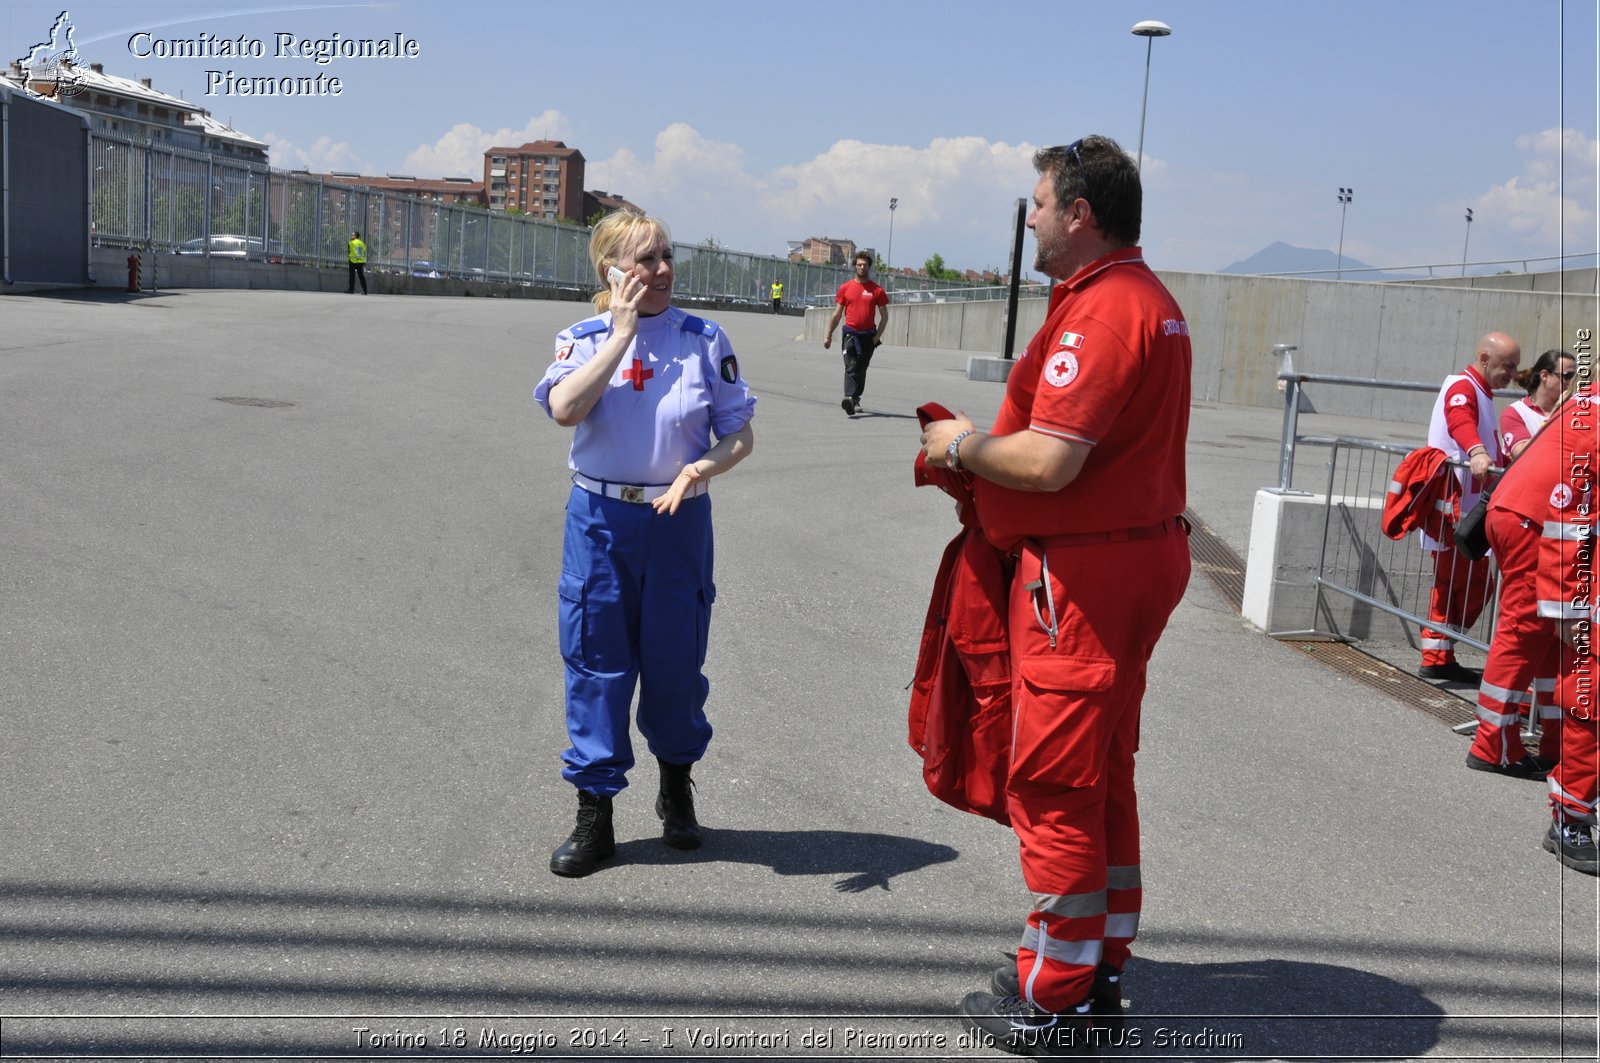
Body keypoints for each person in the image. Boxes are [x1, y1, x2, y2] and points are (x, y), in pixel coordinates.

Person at [921, 136, 1191, 1055]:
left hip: (1084, 573)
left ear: (1078, 214)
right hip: (1129, 558)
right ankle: (1095, 960)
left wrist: (959, 446)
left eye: (1037, 203)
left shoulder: (1105, 311)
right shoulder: (1137, 300)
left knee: (1056, 782)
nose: (1028, 216)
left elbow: (1047, 459)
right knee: (1102, 772)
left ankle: (1058, 997)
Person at [532, 209, 756, 878]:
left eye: (665, 256)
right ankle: (595, 812)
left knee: (675, 660)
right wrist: (620, 336)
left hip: (679, 518)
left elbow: (738, 433)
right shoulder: (583, 338)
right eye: (644, 260)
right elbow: (565, 409)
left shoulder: (702, 338)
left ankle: (676, 783)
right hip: (601, 519)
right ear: (611, 271)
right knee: (596, 661)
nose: (661, 271)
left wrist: (702, 467)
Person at [1487, 380, 1599, 874]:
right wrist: (1564, 608)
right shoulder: (1591, 422)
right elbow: (1570, 515)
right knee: (1584, 692)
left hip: (1538, 532)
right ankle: (1571, 815)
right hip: (1557, 554)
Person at [1466, 349, 1578, 776]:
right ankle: (1492, 745)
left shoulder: (1582, 403)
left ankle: (1556, 744)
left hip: (1526, 515)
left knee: (1554, 637)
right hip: (1537, 523)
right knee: (1524, 631)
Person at [1417, 332, 1521, 683]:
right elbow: (1459, 420)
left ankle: (1441, 650)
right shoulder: (1463, 388)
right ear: (1484, 358)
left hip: (1468, 507)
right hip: (1457, 507)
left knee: (1465, 583)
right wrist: (1477, 452)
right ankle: (1436, 655)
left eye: (1516, 366)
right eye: (1507, 365)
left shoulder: (1481, 392)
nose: (1512, 373)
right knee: (1454, 583)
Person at [823, 251, 889, 415]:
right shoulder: (845, 288)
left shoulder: (877, 290)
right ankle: (849, 397)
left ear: (869, 267)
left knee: (861, 369)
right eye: (859, 264)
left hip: (868, 336)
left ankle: (855, 398)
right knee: (851, 366)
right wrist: (828, 335)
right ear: (855, 266)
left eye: (865, 265)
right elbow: (837, 313)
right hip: (850, 334)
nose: (862, 267)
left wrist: (876, 338)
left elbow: (885, 316)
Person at [1501, 349, 1576, 460]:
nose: (1570, 383)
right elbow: (1523, 454)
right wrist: (1555, 413)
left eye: (1574, 377)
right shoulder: (1515, 412)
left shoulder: (1575, 410)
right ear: (1544, 375)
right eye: (1567, 376)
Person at [346, 230, 368, 295]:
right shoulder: (362, 243)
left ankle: (351, 290)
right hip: (360, 261)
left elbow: (349, 250)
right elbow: (363, 250)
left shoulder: (351, 242)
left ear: (356, 236)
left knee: (352, 276)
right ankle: (365, 290)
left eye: (353, 235)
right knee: (361, 276)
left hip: (353, 261)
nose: (351, 236)